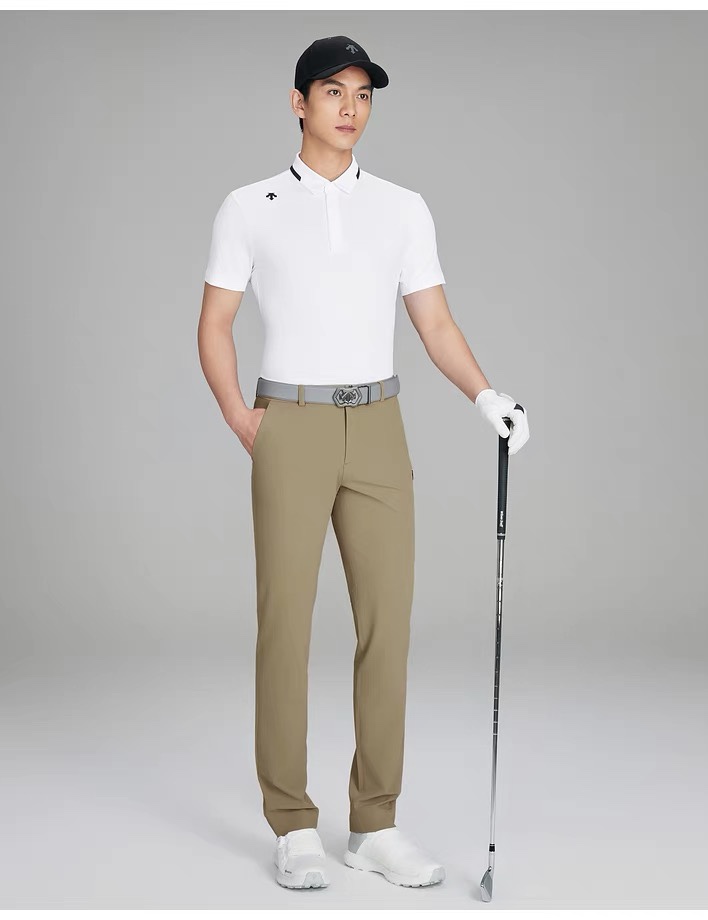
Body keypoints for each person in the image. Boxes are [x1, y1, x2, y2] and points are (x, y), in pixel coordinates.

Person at [198, 34, 530, 891]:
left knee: (388, 625)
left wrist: (486, 396)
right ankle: (292, 823)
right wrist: (243, 419)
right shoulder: (250, 206)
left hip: (379, 424)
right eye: (333, 91)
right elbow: (214, 323)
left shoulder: (402, 208)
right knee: (286, 624)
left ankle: (374, 822)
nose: (350, 107)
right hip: (291, 422)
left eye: (364, 94)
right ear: (298, 101)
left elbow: (435, 323)